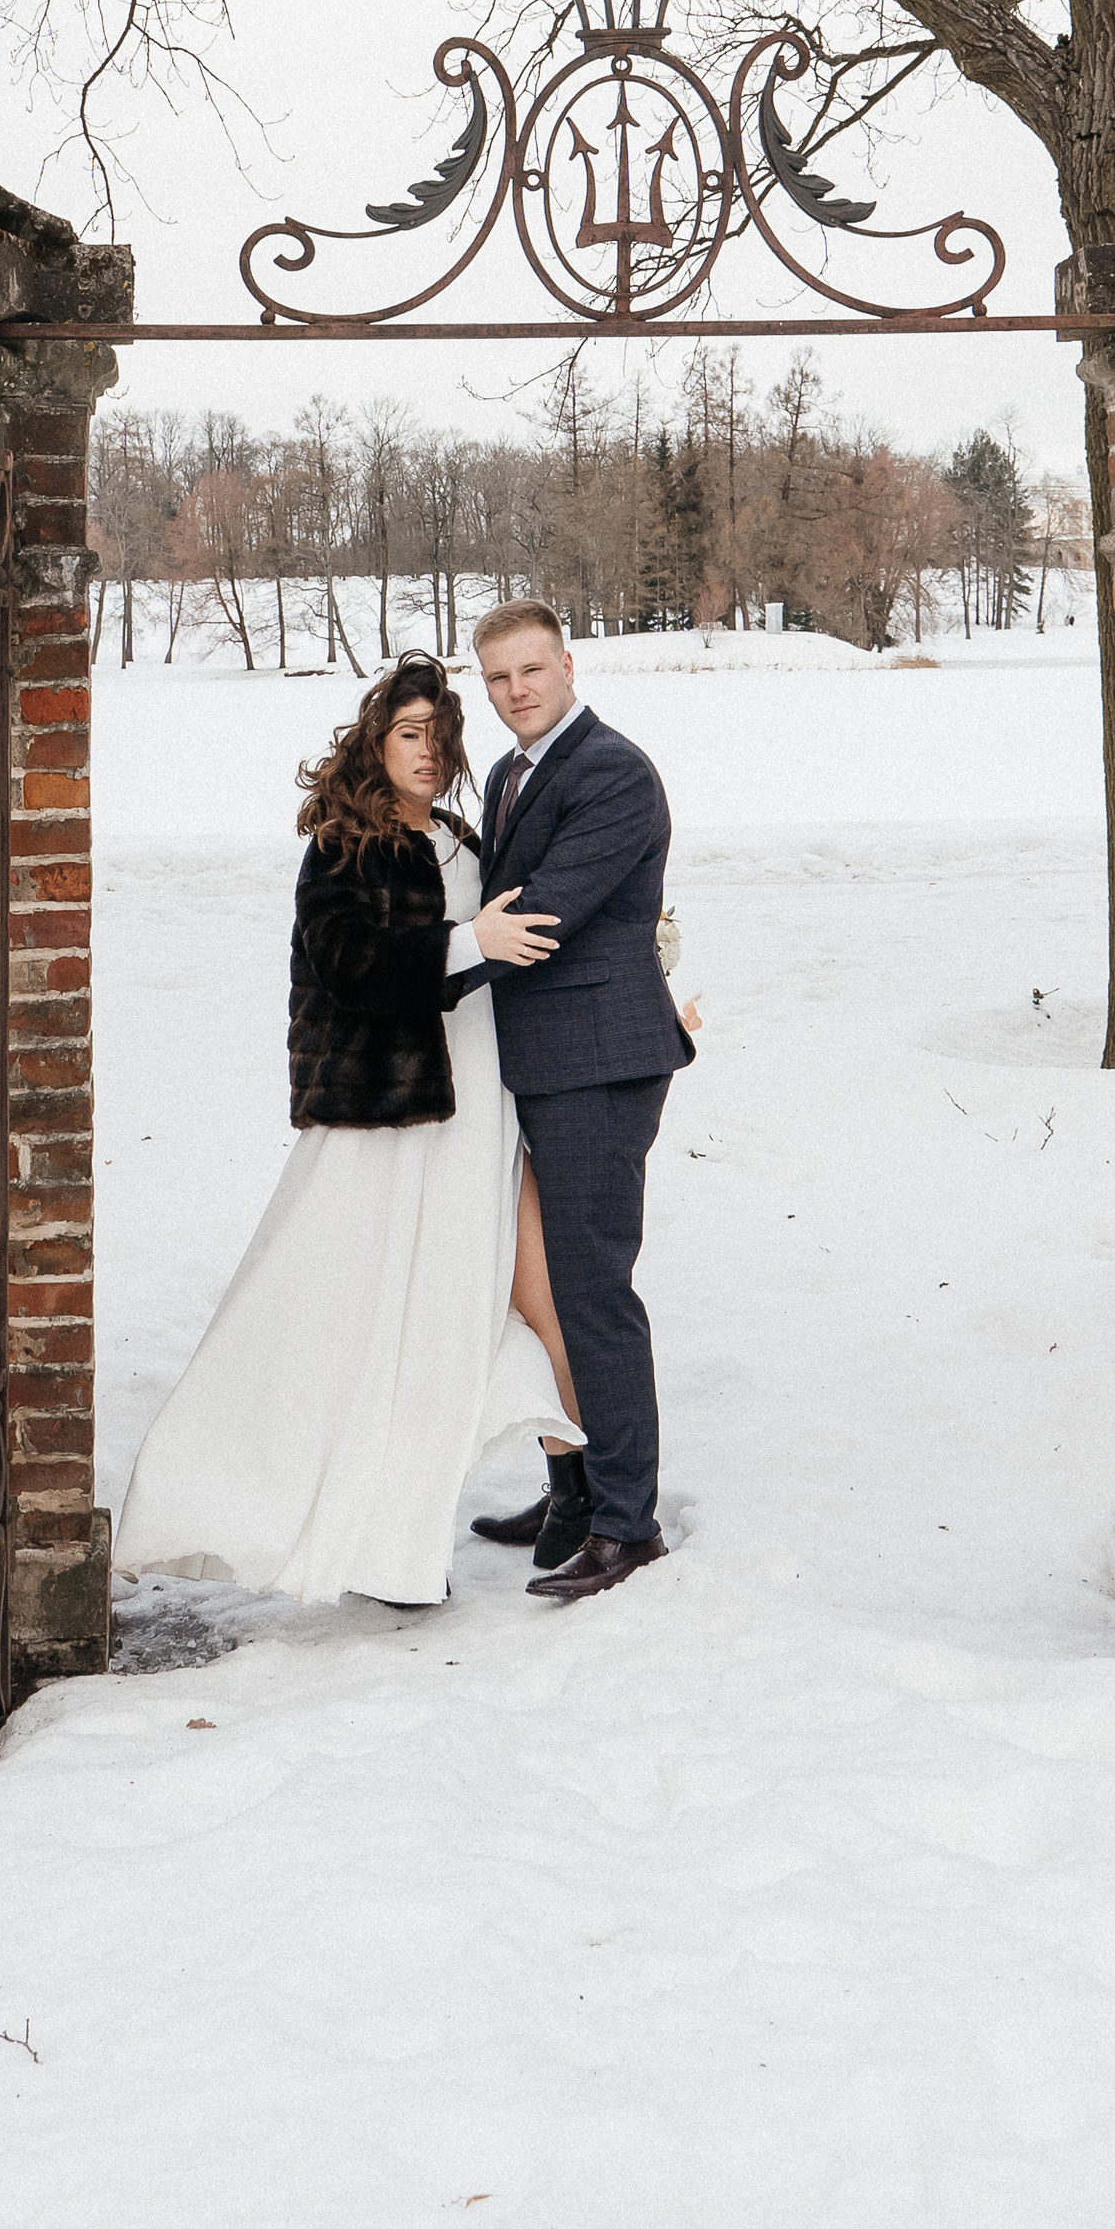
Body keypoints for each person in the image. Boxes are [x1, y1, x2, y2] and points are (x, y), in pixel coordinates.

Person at [113, 653, 580, 1608]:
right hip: (383, 1119)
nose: (429, 751)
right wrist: (463, 944)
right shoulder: (344, 845)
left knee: (459, 1314)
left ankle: (554, 1491)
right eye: (411, 732)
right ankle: (233, 1500)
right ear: (377, 741)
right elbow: (346, 967)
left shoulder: (460, 838)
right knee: (344, 1314)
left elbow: (516, 948)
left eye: (442, 737)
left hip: (479, 1112)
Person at [464, 600, 692, 1604]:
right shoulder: (516, 773)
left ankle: (626, 1524)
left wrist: (413, 964)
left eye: (531, 670)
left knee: (592, 1288)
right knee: (537, 1288)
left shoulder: (608, 771)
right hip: (538, 1061)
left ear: (566, 664)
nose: (516, 690)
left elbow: (541, 915)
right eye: (498, 679)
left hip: (596, 1062)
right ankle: (572, 1491)